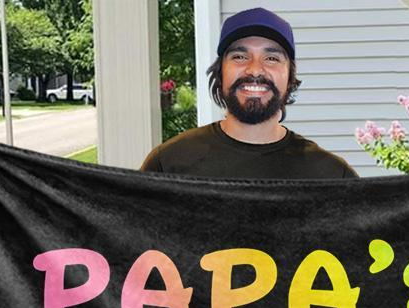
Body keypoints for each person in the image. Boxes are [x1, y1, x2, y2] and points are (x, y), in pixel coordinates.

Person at [140, 7, 358, 180]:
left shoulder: (331, 176)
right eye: (239, 57)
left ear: (290, 76)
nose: (254, 70)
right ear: (220, 72)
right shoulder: (169, 165)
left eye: (271, 58)